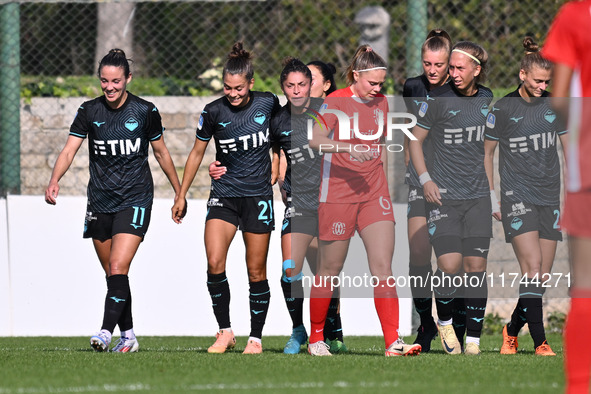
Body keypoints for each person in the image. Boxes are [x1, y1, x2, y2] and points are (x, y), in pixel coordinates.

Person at [44, 48, 183, 353]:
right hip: (99, 201)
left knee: (119, 264)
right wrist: (55, 179)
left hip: (135, 198)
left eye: (116, 81)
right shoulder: (89, 111)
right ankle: (129, 335)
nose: (109, 87)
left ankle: (106, 332)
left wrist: (179, 191)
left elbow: (160, 152)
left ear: (128, 79)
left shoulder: (145, 111)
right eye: (105, 81)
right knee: (114, 273)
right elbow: (69, 151)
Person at [308, 44, 422, 357]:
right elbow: (314, 140)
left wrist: (382, 184)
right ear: (356, 75)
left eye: (381, 83)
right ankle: (316, 338)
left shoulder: (383, 103)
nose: (377, 88)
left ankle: (393, 342)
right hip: (338, 195)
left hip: (373, 194)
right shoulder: (334, 102)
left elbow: (382, 147)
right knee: (329, 268)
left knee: (384, 267)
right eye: (372, 82)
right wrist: (345, 149)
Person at [171, 42, 281, 354]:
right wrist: (181, 194)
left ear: (251, 83)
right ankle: (225, 331)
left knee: (256, 271)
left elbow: (281, 136)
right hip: (224, 195)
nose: (232, 94)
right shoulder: (213, 112)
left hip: (258, 197)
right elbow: (196, 153)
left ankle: (255, 338)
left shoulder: (268, 103)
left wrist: (277, 160)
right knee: (215, 262)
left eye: (238, 88)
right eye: (228, 88)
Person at [409, 41, 494, 355]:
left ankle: (473, 340)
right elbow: (414, 143)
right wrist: (426, 179)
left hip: (477, 198)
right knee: (449, 265)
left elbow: (487, 150)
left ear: (476, 70)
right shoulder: (437, 100)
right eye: (452, 67)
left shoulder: (487, 99)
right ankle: (444, 321)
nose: (453, 74)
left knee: (476, 266)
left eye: (459, 68)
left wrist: (494, 195)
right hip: (443, 198)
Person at [484, 37, 566, 357]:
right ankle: (540, 342)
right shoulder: (503, 108)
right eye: (537, 80)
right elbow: (486, 154)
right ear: (522, 75)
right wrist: (493, 198)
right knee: (531, 267)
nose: (542, 86)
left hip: (550, 196)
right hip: (517, 194)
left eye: (547, 81)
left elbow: (571, 147)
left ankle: (511, 329)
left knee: (541, 276)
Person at [542, 1, 591, 391]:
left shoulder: (577, 14)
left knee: (586, 286)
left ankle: (579, 386)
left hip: (588, 166)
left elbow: (559, 100)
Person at [402, 28, 454, 353]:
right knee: (418, 253)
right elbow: (408, 132)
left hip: (450, 187)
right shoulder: (412, 86)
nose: (432, 70)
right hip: (418, 183)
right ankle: (426, 326)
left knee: (448, 262)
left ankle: (448, 321)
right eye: (427, 64)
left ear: (450, 64)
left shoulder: (459, 90)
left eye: (439, 64)